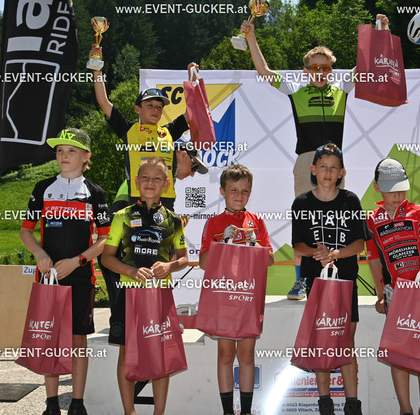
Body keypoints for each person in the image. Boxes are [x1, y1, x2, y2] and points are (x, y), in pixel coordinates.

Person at [241, 14, 389, 300]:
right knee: (305, 220)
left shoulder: (341, 89)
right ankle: (301, 280)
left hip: (335, 163)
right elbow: (264, 71)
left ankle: (336, 273)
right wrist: (251, 37)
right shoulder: (296, 90)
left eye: (325, 67)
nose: (320, 72)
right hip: (306, 161)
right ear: (306, 70)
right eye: (315, 67)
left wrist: (380, 34)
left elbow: (365, 64)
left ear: (331, 70)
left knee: (337, 220)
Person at [90, 44, 208, 310]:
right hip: (136, 201)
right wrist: (97, 68)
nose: (155, 110)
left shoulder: (168, 132)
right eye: (150, 105)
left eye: (159, 106)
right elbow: (104, 103)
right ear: (137, 109)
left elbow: (193, 112)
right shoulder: (130, 131)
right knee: (129, 258)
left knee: (162, 259)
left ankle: (161, 315)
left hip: (166, 203)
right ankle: (123, 315)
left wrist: (194, 81)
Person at [19, 128, 110, 415]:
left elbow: (105, 239)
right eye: (60, 151)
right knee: (50, 338)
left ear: (86, 156)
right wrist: (39, 253)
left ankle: (77, 404)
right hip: (49, 278)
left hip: (81, 277)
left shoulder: (96, 193)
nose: (64, 156)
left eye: (72, 150)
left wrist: (78, 261)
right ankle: (51, 404)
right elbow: (26, 231)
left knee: (78, 341)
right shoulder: (42, 188)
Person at [101, 157, 189, 415]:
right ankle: (129, 411)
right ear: (136, 182)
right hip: (128, 294)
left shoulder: (174, 220)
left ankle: (159, 412)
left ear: (166, 183)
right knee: (126, 353)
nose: (150, 183)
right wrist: (130, 271)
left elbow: (183, 258)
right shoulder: (122, 216)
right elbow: (106, 258)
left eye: (157, 179)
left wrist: (169, 267)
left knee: (160, 353)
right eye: (145, 178)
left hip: (160, 296)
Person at [291, 143, 368, 415]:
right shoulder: (301, 203)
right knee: (321, 343)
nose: (328, 172)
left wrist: (335, 253)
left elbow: (360, 244)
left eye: (334, 167)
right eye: (323, 166)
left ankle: (352, 405)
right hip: (317, 285)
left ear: (342, 172)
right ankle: (325, 404)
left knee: (346, 343)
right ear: (313, 170)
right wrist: (318, 254)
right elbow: (298, 246)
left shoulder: (351, 200)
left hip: (346, 283)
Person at [365, 158, 420, 415]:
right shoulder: (372, 219)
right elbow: (374, 259)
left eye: (401, 189)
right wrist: (380, 295)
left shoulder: (419, 212)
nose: (397, 195)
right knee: (398, 354)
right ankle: (405, 409)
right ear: (377, 188)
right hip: (394, 292)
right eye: (391, 189)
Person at [199, 164, 274, 415]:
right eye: (234, 190)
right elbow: (203, 263)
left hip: (248, 296)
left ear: (250, 192)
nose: (239, 196)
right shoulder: (214, 223)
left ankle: (247, 411)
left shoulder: (257, 222)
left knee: (247, 355)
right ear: (222, 191)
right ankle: (228, 412)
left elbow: (270, 260)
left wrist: (255, 245)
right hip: (224, 297)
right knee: (225, 354)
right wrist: (222, 242)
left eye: (244, 191)